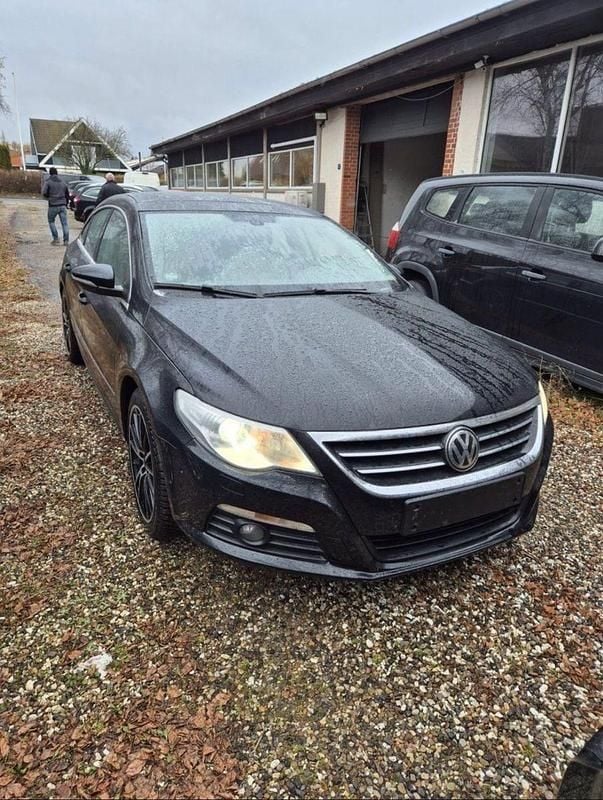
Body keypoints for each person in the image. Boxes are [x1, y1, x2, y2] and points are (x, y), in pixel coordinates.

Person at [42, 167, 69, 246]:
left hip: (53, 205)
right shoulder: (63, 182)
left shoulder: (48, 182)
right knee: (64, 224)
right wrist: (66, 203)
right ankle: (66, 241)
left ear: (50, 173)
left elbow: (44, 193)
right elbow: (67, 194)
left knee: (51, 221)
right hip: (63, 205)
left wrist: (49, 197)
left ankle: (56, 239)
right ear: (57, 173)